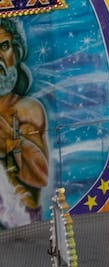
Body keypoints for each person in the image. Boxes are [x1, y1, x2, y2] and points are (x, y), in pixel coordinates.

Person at [0, 19, 48, 219]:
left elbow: (39, 176)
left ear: (16, 52)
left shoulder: (28, 110)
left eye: (4, 46)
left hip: (20, 219)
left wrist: (11, 138)